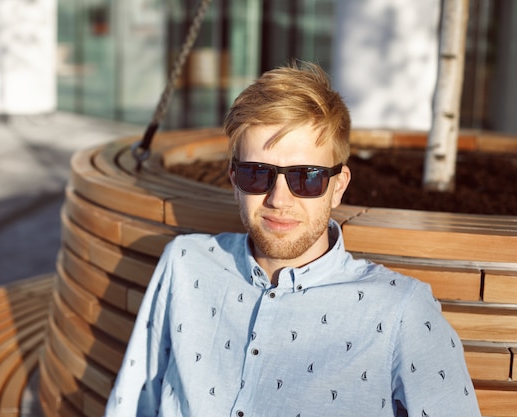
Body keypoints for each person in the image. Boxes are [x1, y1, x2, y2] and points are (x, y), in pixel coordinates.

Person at [104, 61, 481, 417]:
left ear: (338, 187)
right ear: (234, 181)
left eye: (307, 177)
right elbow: (131, 403)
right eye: (257, 174)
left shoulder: (401, 311)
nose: (278, 199)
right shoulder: (185, 264)